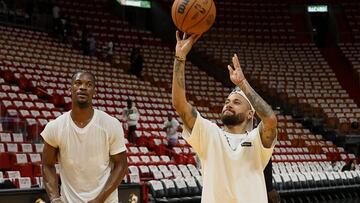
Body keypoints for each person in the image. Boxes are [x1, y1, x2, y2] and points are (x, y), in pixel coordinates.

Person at [172, 31, 277, 203]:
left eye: (236, 102)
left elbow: (270, 120)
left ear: (250, 113)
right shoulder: (209, 133)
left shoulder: (257, 139)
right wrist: (180, 58)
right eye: (227, 101)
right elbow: (179, 104)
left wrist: (243, 84)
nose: (228, 104)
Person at [41, 71, 128, 203]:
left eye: (89, 84)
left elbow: (121, 165)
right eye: (78, 83)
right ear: (70, 89)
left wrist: (99, 200)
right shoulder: (55, 127)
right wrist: (54, 198)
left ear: (94, 92)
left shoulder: (111, 124)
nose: (82, 87)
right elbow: (47, 164)